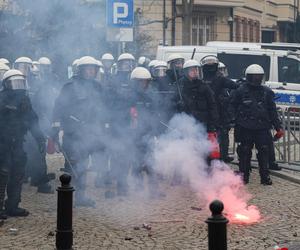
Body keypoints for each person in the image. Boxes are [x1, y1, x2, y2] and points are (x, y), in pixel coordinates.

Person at [52, 56, 103, 207]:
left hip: (90, 132)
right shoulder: (69, 87)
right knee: (72, 165)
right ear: (80, 70)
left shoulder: (97, 87)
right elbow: (58, 108)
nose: (91, 71)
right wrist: (55, 129)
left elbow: (103, 108)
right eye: (88, 68)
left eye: (93, 69)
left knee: (83, 166)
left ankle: (80, 197)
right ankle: (67, 198)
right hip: (73, 132)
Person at [0, 69, 45, 218]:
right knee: (3, 174)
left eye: (20, 82)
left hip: (18, 143)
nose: (18, 86)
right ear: (6, 84)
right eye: (15, 82)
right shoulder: (1, 99)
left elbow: (33, 121)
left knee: (18, 173)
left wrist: (40, 139)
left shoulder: (25, 100)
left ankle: (12, 206)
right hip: (3, 143)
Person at [229, 64, 284, 185]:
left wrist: (278, 127)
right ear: (248, 77)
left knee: (264, 152)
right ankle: (244, 176)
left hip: (262, 127)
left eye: (258, 77)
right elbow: (232, 106)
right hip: (245, 127)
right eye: (254, 77)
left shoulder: (267, 92)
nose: (256, 79)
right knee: (244, 152)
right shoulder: (240, 90)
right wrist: (234, 120)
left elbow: (272, 111)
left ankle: (265, 176)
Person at [201, 56, 238, 163]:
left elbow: (233, 85)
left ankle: (222, 156)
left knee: (222, 135)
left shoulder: (220, 79)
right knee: (205, 135)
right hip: (205, 112)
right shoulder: (200, 79)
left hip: (219, 112)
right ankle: (206, 157)